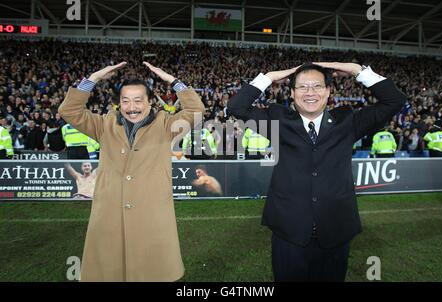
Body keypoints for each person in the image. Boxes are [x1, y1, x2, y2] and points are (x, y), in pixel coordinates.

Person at [227, 62, 406, 281]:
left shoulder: (348, 121)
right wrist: (269, 77)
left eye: (317, 86)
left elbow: (395, 101)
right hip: (289, 233)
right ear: (292, 93)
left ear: (328, 91)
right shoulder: (277, 120)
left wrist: (357, 71)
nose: (310, 92)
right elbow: (236, 107)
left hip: (336, 231)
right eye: (302, 87)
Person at [58, 61, 205, 281]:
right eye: (125, 101)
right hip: (110, 213)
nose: (131, 107)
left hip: (151, 213)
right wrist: (92, 79)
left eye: (138, 100)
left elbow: (196, 110)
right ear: (119, 103)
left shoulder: (166, 125)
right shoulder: (104, 124)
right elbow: (68, 110)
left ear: (149, 102)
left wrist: (174, 82)